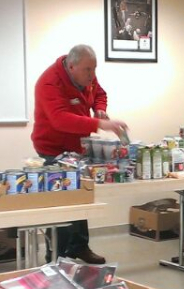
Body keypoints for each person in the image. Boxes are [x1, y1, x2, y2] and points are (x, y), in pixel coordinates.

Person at [32, 44, 127, 265]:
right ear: (71, 66)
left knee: (82, 196)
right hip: (52, 149)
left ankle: (80, 247)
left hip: (78, 148)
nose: (92, 75)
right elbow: (60, 119)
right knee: (63, 202)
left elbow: (99, 94)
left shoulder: (86, 74)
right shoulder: (49, 82)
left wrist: (100, 108)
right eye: (88, 70)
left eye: (94, 69)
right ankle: (56, 257)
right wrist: (99, 123)